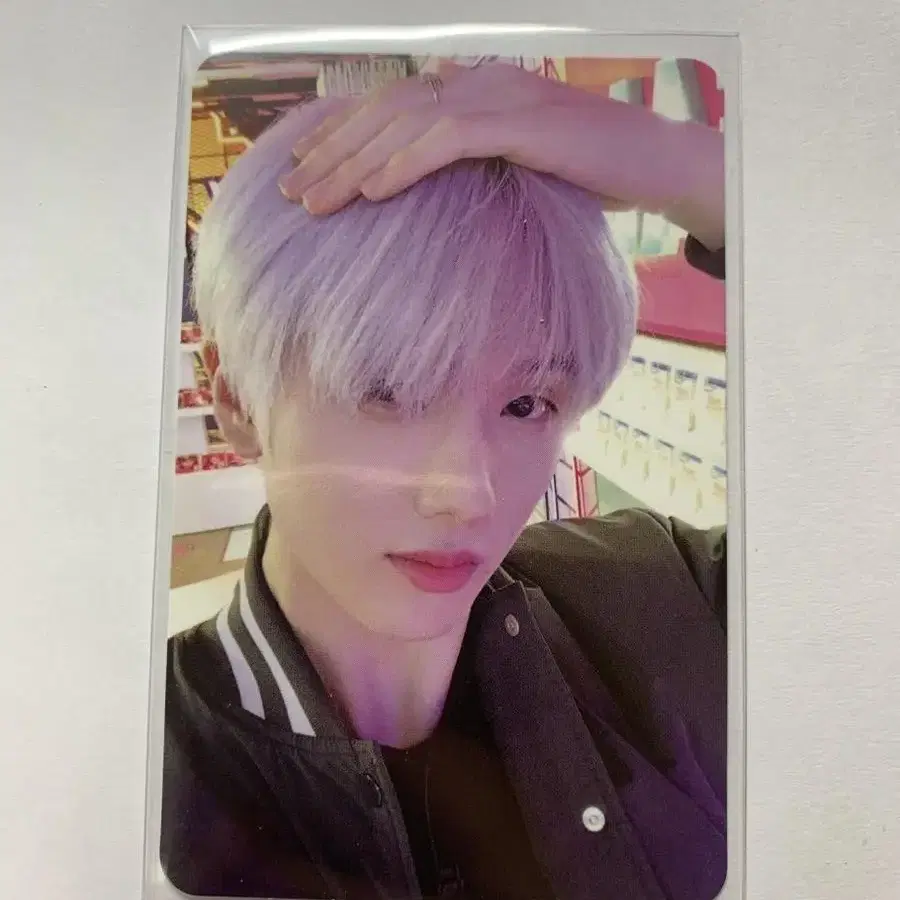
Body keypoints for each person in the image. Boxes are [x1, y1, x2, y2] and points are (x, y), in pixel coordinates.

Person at [162, 61, 727, 900]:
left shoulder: (664, 598)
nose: (466, 491)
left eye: (527, 404)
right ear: (238, 400)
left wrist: (690, 169)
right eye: (385, 390)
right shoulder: (129, 774)